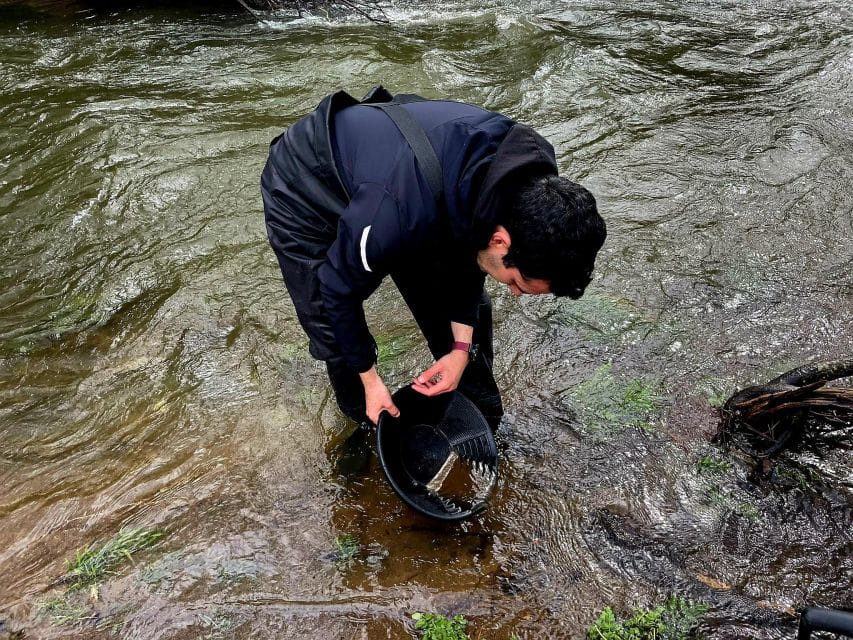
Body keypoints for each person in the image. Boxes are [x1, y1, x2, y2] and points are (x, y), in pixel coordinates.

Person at [261, 86, 606, 428]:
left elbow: (468, 260)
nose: (515, 293)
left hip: (406, 177)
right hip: (305, 184)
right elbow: (336, 291)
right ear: (502, 241)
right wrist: (370, 379)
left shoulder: (527, 184)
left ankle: (481, 418)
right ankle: (367, 421)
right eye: (518, 283)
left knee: (468, 310)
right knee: (332, 326)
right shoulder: (396, 215)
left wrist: (459, 349)